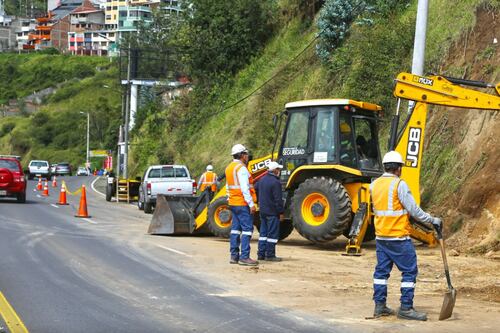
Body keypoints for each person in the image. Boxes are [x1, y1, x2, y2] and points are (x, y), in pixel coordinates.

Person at [370, 151, 442, 321]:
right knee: (409, 271)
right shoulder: (399, 185)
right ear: (398, 168)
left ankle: (379, 306)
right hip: (398, 238)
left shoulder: (374, 184)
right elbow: (414, 210)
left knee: (381, 273)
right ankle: (406, 308)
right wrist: (432, 220)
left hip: (381, 238)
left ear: (385, 166)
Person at [225, 144, 258, 266]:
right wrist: (251, 204)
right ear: (242, 155)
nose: (247, 156)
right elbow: (245, 188)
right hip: (242, 203)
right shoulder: (242, 169)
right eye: (246, 154)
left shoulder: (229, 168)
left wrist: (230, 199)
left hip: (233, 203)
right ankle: (244, 257)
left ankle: (234, 256)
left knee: (235, 229)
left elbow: (228, 187)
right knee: (247, 229)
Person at [255, 161, 284, 262]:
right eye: (278, 169)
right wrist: (281, 212)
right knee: (272, 234)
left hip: (263, 211)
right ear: (275, 170)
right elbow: (278, 200)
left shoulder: (261, 180)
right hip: (272, 212)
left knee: (263, 234)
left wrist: (258, 200)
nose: (279, 171)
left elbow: (255, 188)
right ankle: (270, 255)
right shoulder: (276, 182)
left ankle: (261, 254)